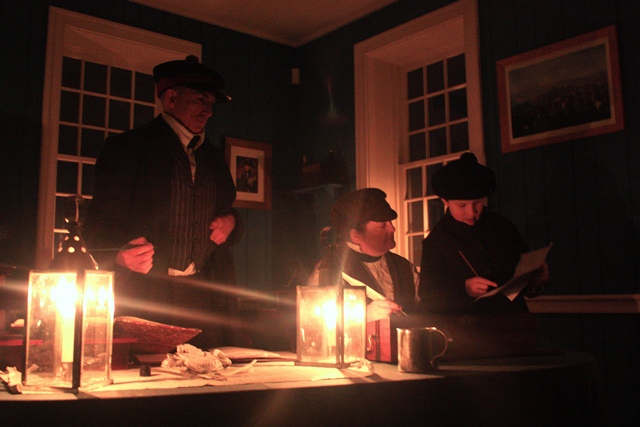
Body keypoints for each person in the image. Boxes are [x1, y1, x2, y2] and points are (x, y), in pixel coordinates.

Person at [84, 55, 243, 348]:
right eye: (200, 100)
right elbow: (96, 223)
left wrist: (231, 222)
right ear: (171, 98)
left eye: (211, 103)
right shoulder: (128, 147)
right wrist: (118, 255)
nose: (208, 111)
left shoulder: (213, 156)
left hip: (207, 295)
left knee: (211, 378)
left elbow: (229, 209)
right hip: (148, 296)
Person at [419, 153, 548, 315]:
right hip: (469, 330)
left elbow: (525, 278)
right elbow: (428, 296)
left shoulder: (502, 227)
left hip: (514, 321)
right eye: (462, 205)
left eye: (477, 203)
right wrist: (464, 290)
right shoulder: (437, 241)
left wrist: (535, 281)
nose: (472, 212)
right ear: (445, 201)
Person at [307, 188, 420, 322]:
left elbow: (423, 312)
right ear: (355, 235)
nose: (392, 229)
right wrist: (364, 315)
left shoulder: (404, 267)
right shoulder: (329, 270)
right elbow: (315, 322)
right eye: (382, 225)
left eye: (390, 222)